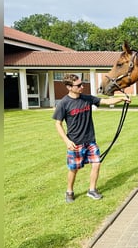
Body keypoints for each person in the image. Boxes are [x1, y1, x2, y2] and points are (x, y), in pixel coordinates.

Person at [53, 74, 130, 203]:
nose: (82, 87)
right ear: (69, 87)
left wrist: (122, 98)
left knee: (97, 163)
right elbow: (57, 124)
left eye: (82, 84)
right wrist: (67, 141)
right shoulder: (63, 103)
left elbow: (105, 101)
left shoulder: (87, 99)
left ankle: (92, 190)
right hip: (75, 143)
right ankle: (69, 191)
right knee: (74, 169)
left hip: (90, 141)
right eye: (78, 85)